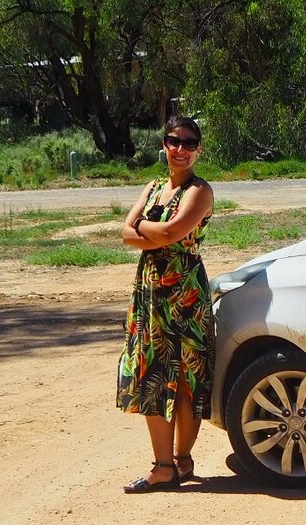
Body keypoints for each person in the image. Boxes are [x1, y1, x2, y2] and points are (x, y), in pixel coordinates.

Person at [117, 116, 215, 493]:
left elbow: (173, 232)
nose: (181, 149)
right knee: (153, 377)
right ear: (164, 144)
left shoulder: (199, 190)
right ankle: (163, 466)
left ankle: (180, 461)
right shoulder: (154, 186)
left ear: (198, 150)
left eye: (189, 143)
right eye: (174, 141)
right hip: (151, 292)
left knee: (188, 379)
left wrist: (144, 228)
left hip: (185, 294)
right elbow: (125, 234)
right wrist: (146, 232)